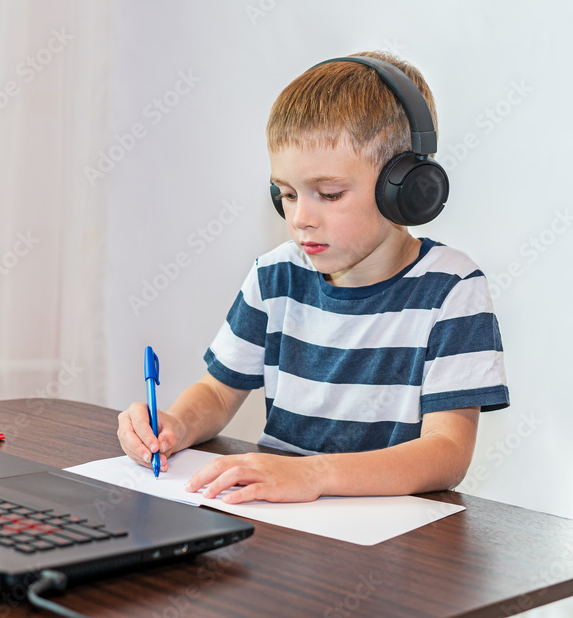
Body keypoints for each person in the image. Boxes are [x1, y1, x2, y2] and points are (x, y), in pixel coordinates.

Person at [117, 51, 509, 504]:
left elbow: (447, 453)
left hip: (390, 537)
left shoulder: (452, 288)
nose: (300, 217)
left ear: (406, 188)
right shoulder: (276, 276)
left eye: (329, 193)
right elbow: (217, 393)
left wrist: (314, 475)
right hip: (283, 520)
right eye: (285, 194)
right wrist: (176, 425)